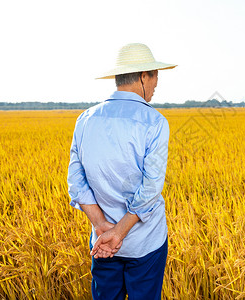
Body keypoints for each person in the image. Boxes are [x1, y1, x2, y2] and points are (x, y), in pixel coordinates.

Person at [67, 43, 176, 300]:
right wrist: (120, 232)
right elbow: (150, 187)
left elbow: (76, 181)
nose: (157, 84)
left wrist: (103, 227)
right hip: (145, 243)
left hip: (102, 243)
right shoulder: (155, 122)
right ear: (143, 76)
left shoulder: (85, 119)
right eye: (155, 75)